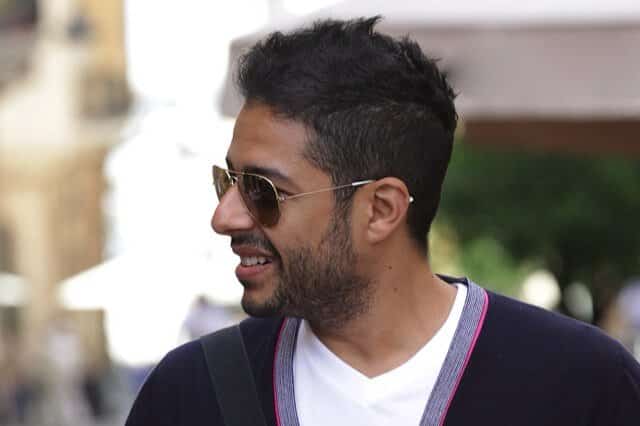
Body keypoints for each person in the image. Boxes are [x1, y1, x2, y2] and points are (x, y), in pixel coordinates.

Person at [126, 16, 640, 425]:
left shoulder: (582, 387)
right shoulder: (191, 395)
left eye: (263, 190)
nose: (224, 217)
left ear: (381, 209)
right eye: (228, 181)